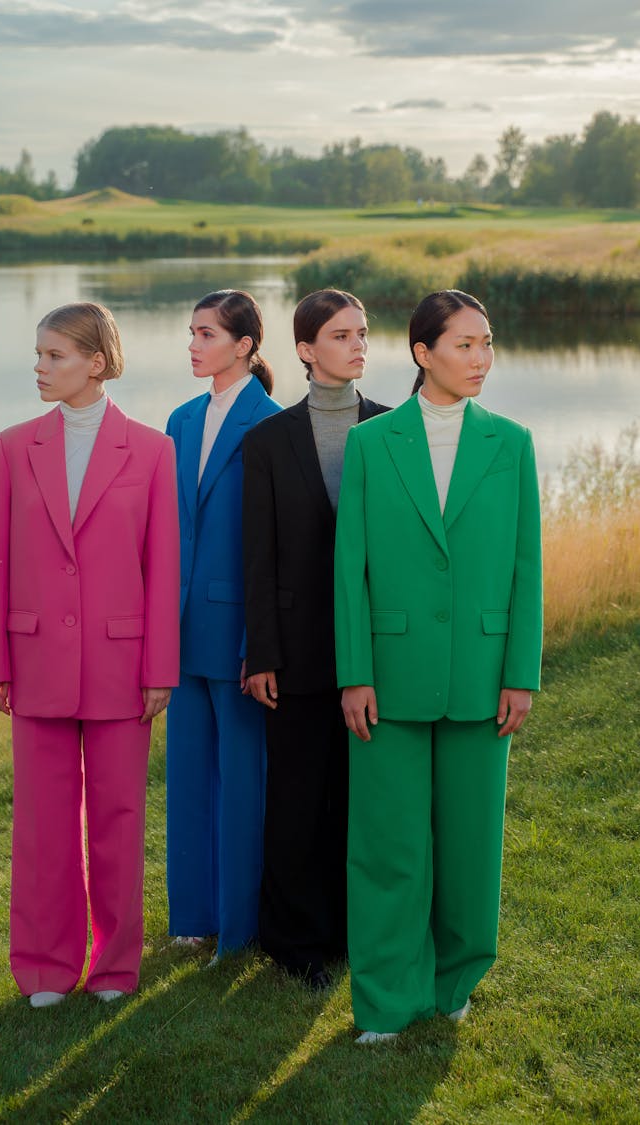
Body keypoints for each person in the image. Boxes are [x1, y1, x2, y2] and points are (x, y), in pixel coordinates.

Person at [334, 289, 542, 1042]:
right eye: (465, 344)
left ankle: (456, 979)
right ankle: (386, 999)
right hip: (386, 674)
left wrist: (521, 672)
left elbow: (527, 568)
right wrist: (353, 672)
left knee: (469, 846)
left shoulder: (512, 443)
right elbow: (349, 568)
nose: (481, 357)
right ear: (423, 353)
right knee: (388, 845)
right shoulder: (371, 443)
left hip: (485, 674)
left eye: (487, 343)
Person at [0, 301, 180, 1008]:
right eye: (37, 354)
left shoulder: (153, 450)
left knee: (120, 819)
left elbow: (163, 569)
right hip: (34, 662)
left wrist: (160, 668)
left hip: (123, 666)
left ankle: (116, 966)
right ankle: (44, 965)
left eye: (54, 355)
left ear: (96, 362)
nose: (40, 367)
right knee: (42, 825)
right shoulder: (13, 446)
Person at [242, 289, 388, 989]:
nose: (358, 344)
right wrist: (261, 652)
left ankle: (352, 932)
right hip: (295, 651)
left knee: (358, 798)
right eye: (340, 334)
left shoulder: (394, 429)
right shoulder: (267, 441)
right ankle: (295, 942)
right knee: (297, 799)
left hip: (375, 650)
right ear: (305, 350)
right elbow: (258, 557)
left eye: (362, 332)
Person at [165, 289, 281, 961]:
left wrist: (255, 644)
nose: (193, 344)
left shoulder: (270, 422)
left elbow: (271, 546)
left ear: (242, 345)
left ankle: (240, 925)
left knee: (243, 783)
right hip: (179, 630)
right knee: (186, 777)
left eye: (205, 333)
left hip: (239, 634)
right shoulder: (181, 419)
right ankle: (192, 915)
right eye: (190, 332)